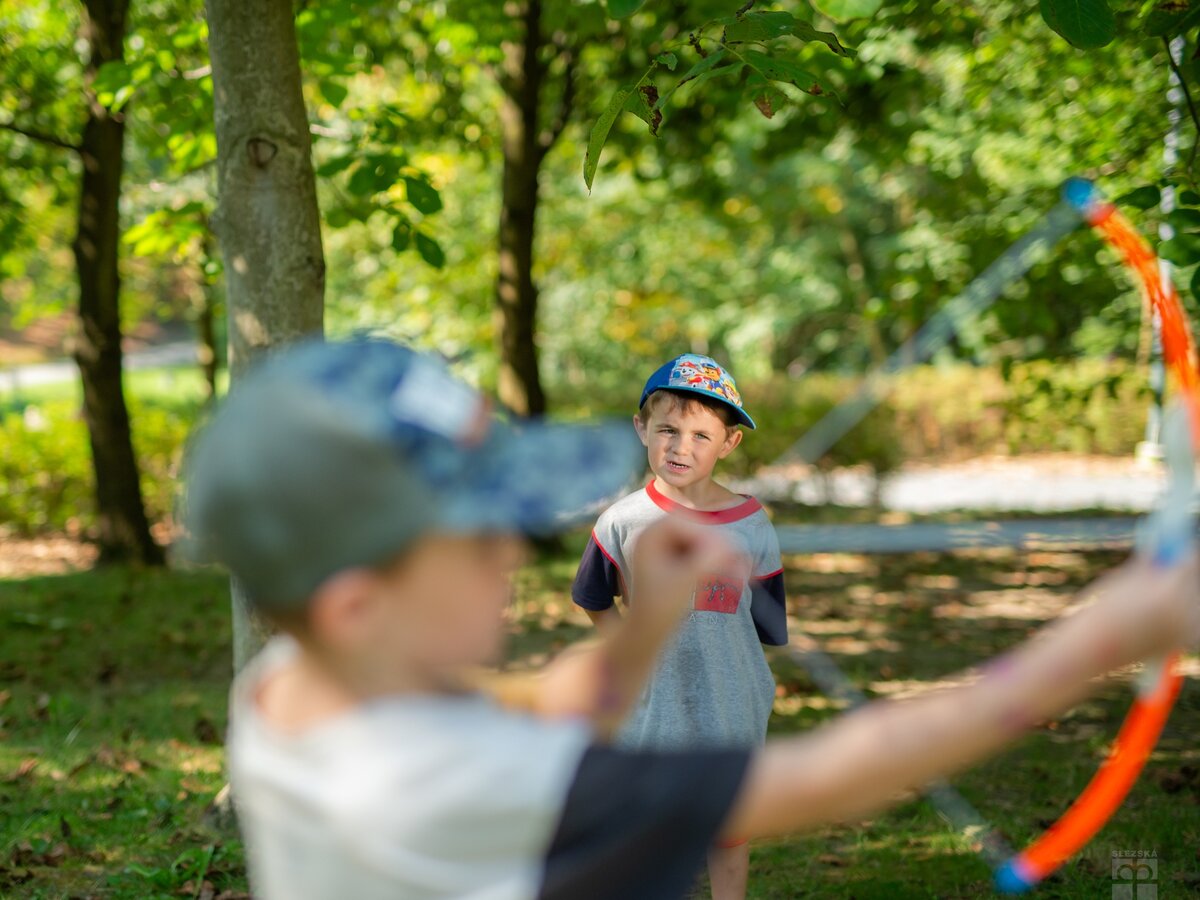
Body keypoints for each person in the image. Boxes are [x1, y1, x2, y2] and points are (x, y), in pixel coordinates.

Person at [184, 337, 1200, 900]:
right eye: (483, 534)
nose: (515, 554)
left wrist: (651, 613)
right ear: (359, 602)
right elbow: (817, 778)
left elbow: (550, 700)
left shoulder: (291, 690)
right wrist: (1108, 634)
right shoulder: (446, 782)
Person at [571, 353, 785, 899]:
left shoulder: (752, 523)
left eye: (700, 435)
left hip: (731, 702)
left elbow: (765, 624)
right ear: (642, 428)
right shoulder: (622, 520)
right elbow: (592, 595)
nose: (680, 447)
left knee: (728, 830)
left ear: (729, 443)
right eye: (667, 429)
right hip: (651, 706)